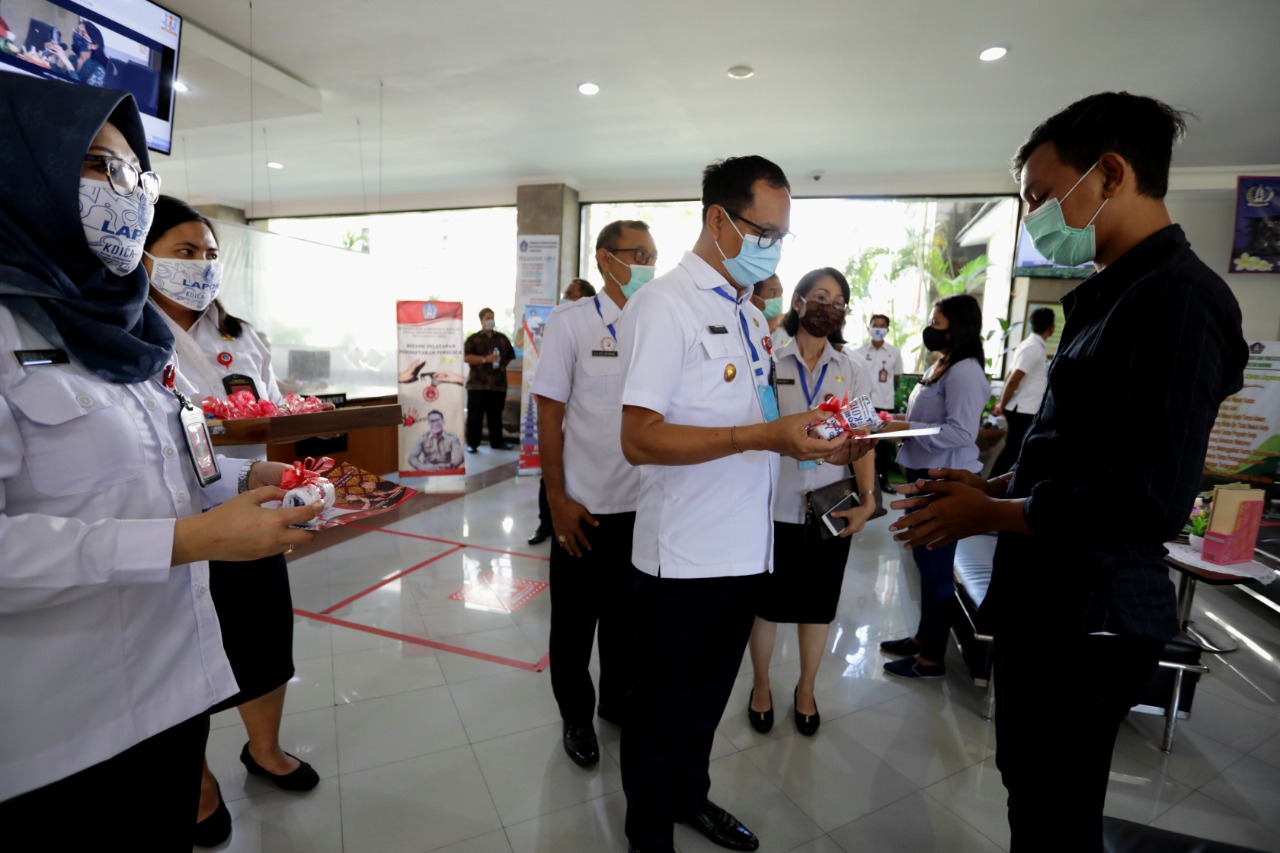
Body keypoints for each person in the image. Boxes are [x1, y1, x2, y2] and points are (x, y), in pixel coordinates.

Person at [888, 92, 1248, 851]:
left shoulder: (1179, 300)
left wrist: (989, 515)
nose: (1035, 217)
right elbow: (1078, 447)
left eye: (1043, 196)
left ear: (1110, 172)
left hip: (1094, 611)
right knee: (1034, 787)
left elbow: (1145, 496)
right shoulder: (1109, 297)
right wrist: (988, 486)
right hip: (1050, 599)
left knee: (1057, 811)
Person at [0, 76, 320, 850]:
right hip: (58, 732)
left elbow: (170, 457)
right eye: (101, 169)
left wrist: (249, 480)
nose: (130, 194)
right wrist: (188, 540)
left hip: (173, 687)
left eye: (139, 174)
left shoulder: (127, 330)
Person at [618, 155, 865, 853]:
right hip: (681, 558)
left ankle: (689, 797)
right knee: (661, 708)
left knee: (705, 703)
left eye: (782, 236)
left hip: (743, 549)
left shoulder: (751, 317)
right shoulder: (666, 305)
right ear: (717, 219)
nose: (774, 248)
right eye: (765, 231)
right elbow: (638, 437)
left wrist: (817, 442)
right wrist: (762, 433)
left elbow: (760, 423)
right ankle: (648, 832)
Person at [141, 195, 320, 846]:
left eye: (212, 254)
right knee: (185, 657)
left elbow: (267, 414)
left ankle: (264, 748)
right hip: (176, 527)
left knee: (264, 637)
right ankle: (198, 782)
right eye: (185, 251)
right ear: (143, 253)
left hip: (252, 506)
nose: (202, 266)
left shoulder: (241, 334)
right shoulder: (132, 334)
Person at [532, 219, 657, 766]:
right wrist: (557, 499)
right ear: (607, 259)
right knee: (575, 625)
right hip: (585, 509)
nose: (650, 265)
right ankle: (576, 717)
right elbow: (549, 412)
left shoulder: (660, 321)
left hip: (645, 507)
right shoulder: (572, 323)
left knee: (628, 625)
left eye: (654, 255)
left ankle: (615, 705)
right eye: (640, 254)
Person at [746, 268, 877, 738]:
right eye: (820, 296)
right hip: (770, 505)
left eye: (838, 301)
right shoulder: (768, 361)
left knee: (818, 606)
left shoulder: (852, 369)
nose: (829, 306)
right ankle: (761, 687)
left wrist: (868, 499)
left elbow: (862, 439)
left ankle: (806, 689)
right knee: (766, 607)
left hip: (830, 505)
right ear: (799, 303)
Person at [877, 294, 990, 679]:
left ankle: (932, 658)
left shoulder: (965, 372)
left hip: (943, 478)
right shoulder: (944, 364)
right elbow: (925, 417)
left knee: (937, 566)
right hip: (923, 473)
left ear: (956, 327)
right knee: (924, 559)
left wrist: (905, 429)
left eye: (936, 323)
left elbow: (961, 432)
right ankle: (924, 637)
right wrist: (896, 422)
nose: (930, 329)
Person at [530, 277, 598, 544]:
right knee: (549, 481)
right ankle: (545, 524)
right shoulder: (562, 325)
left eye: (571, 294)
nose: (565, 298)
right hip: (557, 428)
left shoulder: (594, 331)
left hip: (584, 439)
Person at [989, 306, 1055, 477]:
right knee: (1012, 450)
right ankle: (991, 485)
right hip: (1023, 409)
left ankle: (997, 486)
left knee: (1015, 450)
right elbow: (1013, 379)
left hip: (1025, 408)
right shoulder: (1033, 346)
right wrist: (1001, 405)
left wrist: (1002, 403)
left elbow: (1010, 376)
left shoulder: (1031, 344)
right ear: (1052, 327)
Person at [852, 314, 905, 490]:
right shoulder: (859, 352)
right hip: (864, 403)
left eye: (882, 326)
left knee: (881, 446)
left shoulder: (894, 353)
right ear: (869, 327)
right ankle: (859, 483)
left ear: (888, 330)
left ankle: (883, 482)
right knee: (861, 441)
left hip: (884, 403)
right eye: (875, 325)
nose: (878, 329)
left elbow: (896, 378)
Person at [463, 307, 515, 451]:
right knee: (475, 415)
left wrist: (501, 364)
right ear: (481, 320)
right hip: (477, 384)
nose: (490, 320)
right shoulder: (473, 339)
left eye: (492, 317)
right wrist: (485, 359)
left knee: (496, 415)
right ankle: (472, 444)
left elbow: (510, 355)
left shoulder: (502, 339)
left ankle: (497, 442)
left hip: (498, 384)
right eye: (487, 318)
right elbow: (465, 357)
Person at [46, 19, 110, 87]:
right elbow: (59, 79)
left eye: (83, 33)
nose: (77, 34)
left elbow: (82, 93)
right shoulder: (72, 58)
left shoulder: (98, 70)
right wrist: (54, 59)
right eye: (77, 30)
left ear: (94, 46)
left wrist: (68, 64)